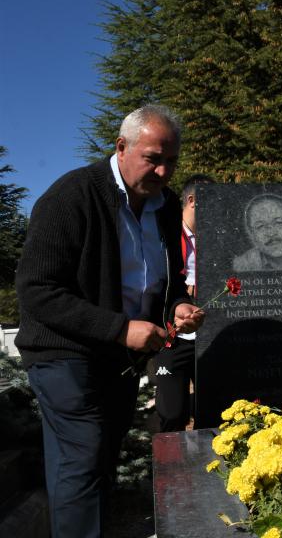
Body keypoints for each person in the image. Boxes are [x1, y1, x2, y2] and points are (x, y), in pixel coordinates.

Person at [15, 105, 204, 538]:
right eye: (153, 158)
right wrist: (120, 328)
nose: (162, 170)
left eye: (171, 160)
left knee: (98, 464)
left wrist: (175, 307)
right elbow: (37, 289)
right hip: (63, 354)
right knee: (81, 461)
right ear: (121, 147)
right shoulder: (72, 196)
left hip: (118, 358)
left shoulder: (166, 205)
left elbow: (168, 278)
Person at [154, 173, 213, 432]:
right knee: (172, 412)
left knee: (214, 411)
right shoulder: (164, 234)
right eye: (214, 202)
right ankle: (173, 471)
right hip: (173, 337)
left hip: (210, 336)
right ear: (192, 200)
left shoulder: (215, 238)